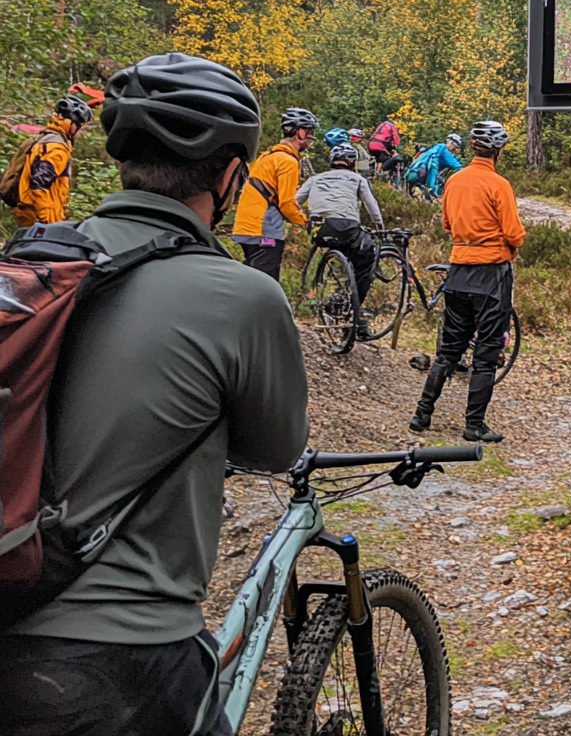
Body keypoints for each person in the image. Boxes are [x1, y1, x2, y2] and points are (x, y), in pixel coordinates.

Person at [0, 52, 309, 736]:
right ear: (231, 175)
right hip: (129, 660)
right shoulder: (242, 295)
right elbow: (277, 446)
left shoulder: (31, 269)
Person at [409, 121, 525, 443]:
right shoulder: (499, 184)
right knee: (486, 354)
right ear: (498, 151)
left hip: (458, 270)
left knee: (448, 350)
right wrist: (509, 245)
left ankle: (421, 415)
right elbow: (515, 233)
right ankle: (474, 425)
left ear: (474, 148)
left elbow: (447, 223)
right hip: (492, 275)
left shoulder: (455, 181)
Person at [296, 143, 384, 331]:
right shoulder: (357, 178)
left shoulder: (314, 178)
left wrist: (304, 221)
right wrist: (380, 227)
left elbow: (295, 201)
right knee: (367, 258)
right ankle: (354, 311)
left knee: (339, 248)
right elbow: (372, 206)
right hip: (347, 229)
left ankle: (333, 294)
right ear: (352, 162)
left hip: (319, 229)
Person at [232, 107, 318, 280]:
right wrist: (306, 222)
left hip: (245, 228)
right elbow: (286, 204)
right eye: (309, 131)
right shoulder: (288, 161)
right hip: (265, 232)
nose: (311, 136)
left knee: (250, 278)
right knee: (265, 283)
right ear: (298, 132)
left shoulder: (268, 155)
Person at [10, 95, 93, 227]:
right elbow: (39, 186)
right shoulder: (56, 147)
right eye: (81, 127)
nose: (82, 132)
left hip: (32, 216)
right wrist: (45, 224)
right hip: (41, 221)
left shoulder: (47, 138)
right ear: (71, 125)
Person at [408, 133, 464, 200]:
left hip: (414, 175)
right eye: (455, 148)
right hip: (424, 177)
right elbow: (457, 167)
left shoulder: (436, 148)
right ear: (451, 143)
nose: (454, 151)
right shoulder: (443, 149)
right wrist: (431, 188)